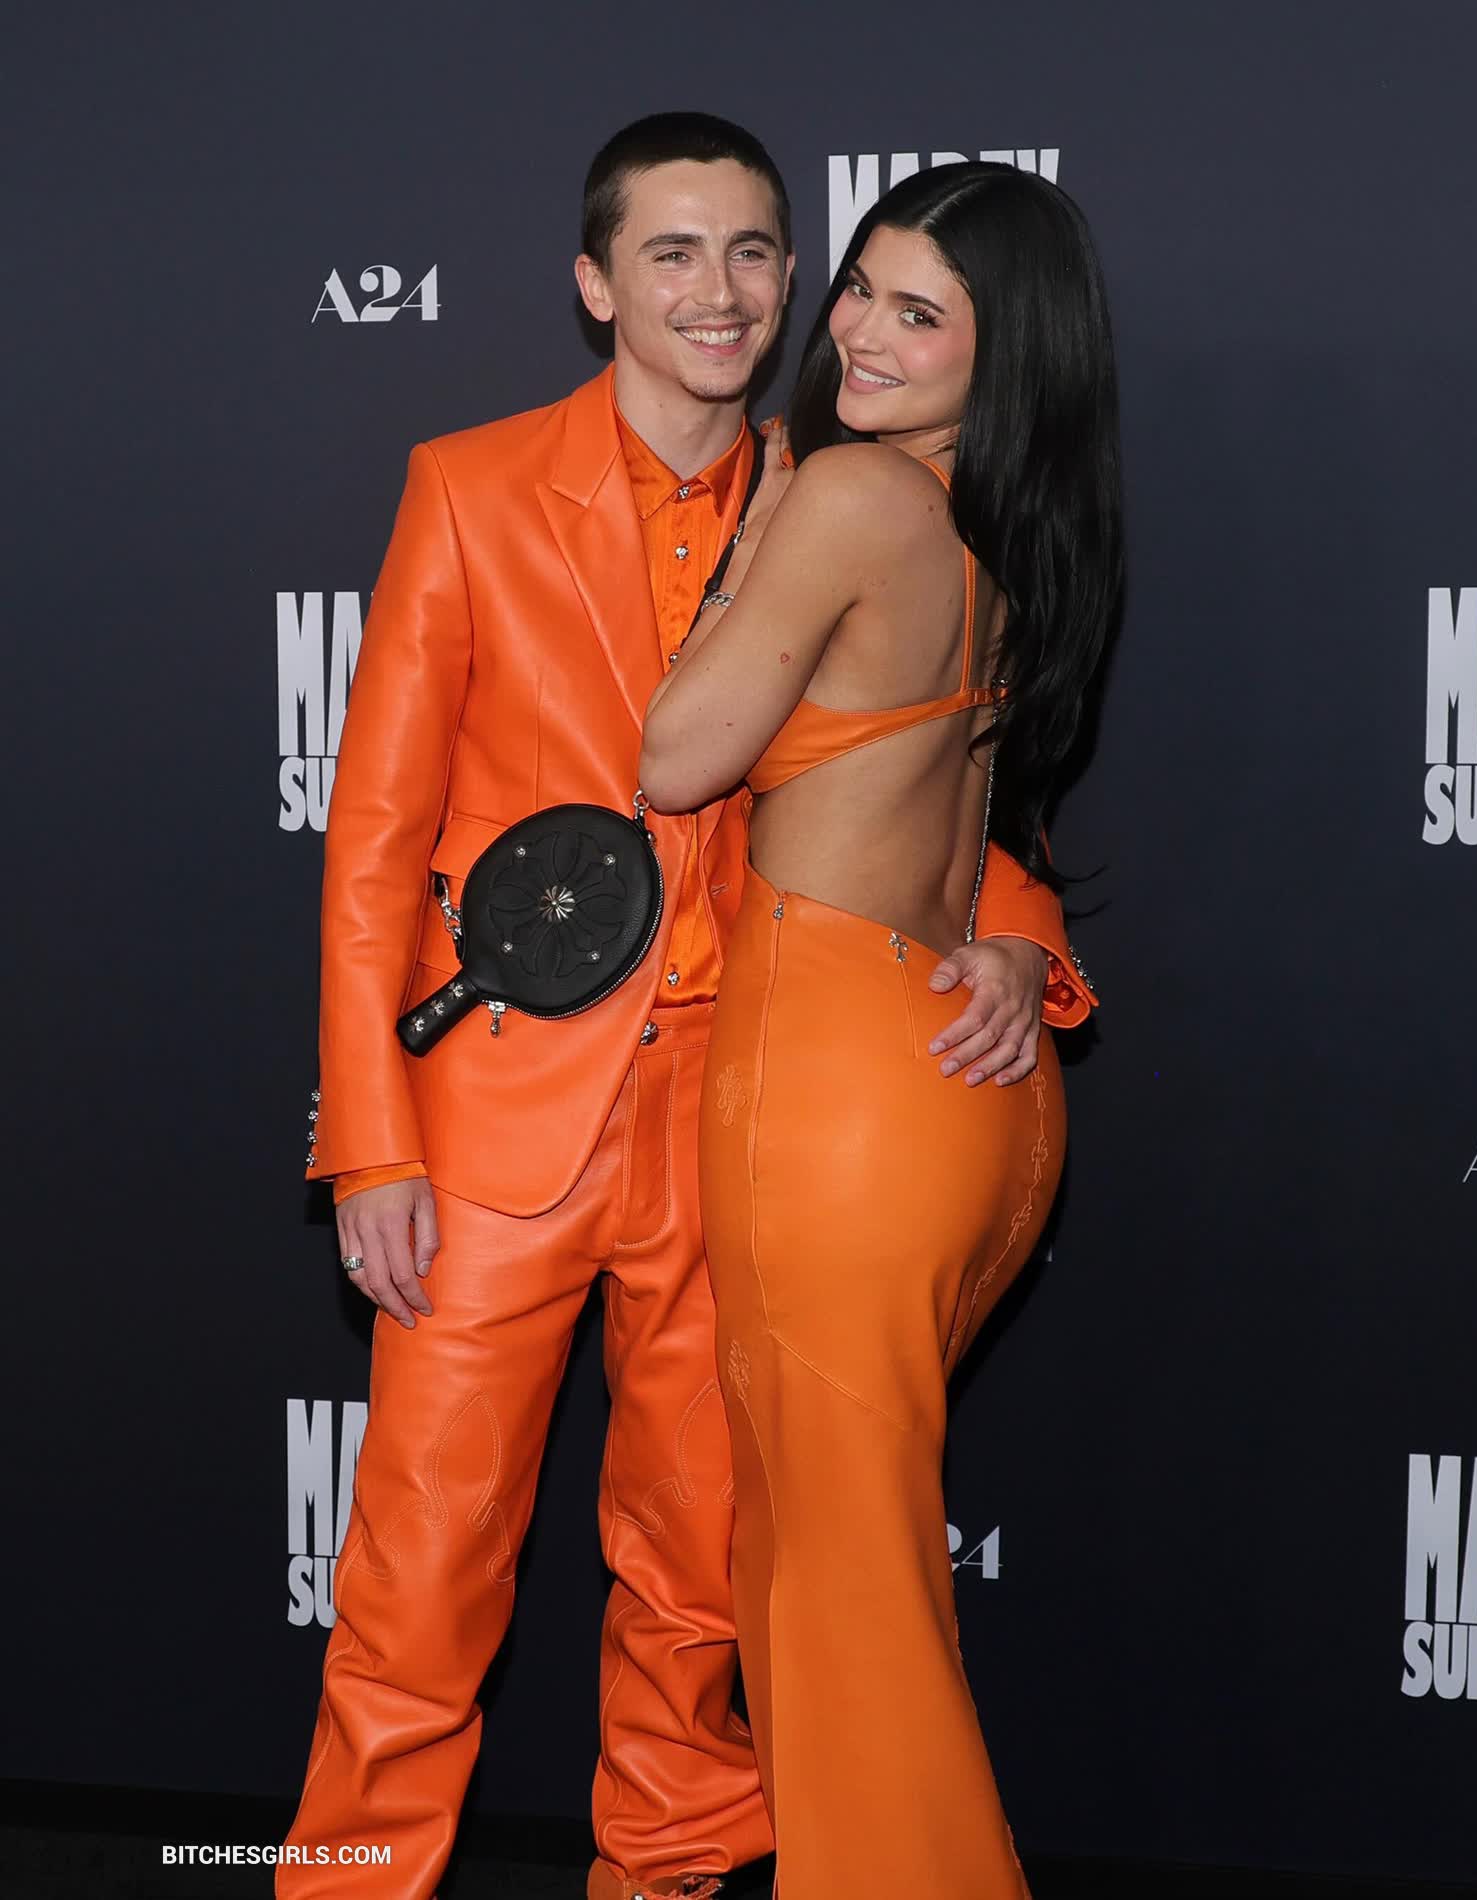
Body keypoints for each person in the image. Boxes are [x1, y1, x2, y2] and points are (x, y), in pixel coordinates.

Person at [286, 116, 1096, 1900]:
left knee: (699, 1588)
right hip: (498, 1123)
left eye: (750, 252)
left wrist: (1018, 947)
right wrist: (372, 1143)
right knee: (418, 1581)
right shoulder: (470, 488)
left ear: (790, 277)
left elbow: (952, 783)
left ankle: (661, 1880)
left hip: (746, 1124)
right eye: (671, 252)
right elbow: (374, 845)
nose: (719, 292)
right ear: (596, 285)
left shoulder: (859, 488)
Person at [639, 161, 1122, 1898]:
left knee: (845, 1600)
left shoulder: (846, 495)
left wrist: (753, 542)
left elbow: (677, 757)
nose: (856, 331)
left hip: (837, 1079)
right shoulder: (1020, 524)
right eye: (860, 287)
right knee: (823, 1565)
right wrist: (1017, 954)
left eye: (921, 315)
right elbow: (961, 809)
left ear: (1007, 353)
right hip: (975, 1090)